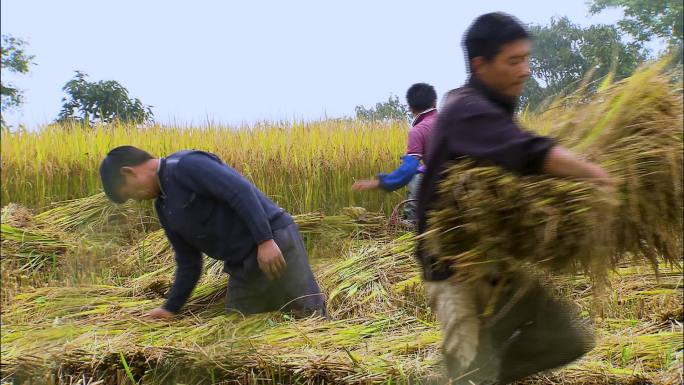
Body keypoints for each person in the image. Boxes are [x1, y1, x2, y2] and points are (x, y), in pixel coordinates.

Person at [415, 13, 612, 384]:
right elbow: (531, 152)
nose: (525, 70)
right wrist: (597, 174)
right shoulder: (467, 109)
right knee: (467, 372)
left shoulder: (487, 107)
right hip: (451, 265)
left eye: (526, 59)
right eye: (514, 61)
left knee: (563, 338)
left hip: (490, 256)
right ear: (480, 64)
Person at [99, 146, 326, 319]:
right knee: (239, 325)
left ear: (128, 172)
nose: (136, 199)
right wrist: (170, 308)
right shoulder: (163, 206)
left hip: (274, 243)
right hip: (242, 264)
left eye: (128, 192)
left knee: (308, 313)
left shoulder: (186, 165)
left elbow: (240, 191)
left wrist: (265, 240)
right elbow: (189, 263)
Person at [352, 83, 438, 222]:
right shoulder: (449, 120)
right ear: (435, 102)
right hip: (461, 181)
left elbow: (408, 169)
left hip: (441, 187)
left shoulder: (418, 130)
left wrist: (379, 183)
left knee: (415, 176)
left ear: (410, 108)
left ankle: (411, 222)